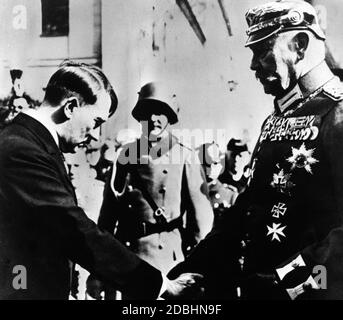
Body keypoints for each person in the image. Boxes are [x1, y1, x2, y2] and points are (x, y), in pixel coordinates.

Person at [169, 0, 343, 300]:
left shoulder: (337, 114)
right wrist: (193, 267)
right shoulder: (276, 118)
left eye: (262, 51)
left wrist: (284, 283)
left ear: (299, 45)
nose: (252, 65)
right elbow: (249, 207)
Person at [0, 61, 203, 300]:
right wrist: (159, 286)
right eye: (96, 122)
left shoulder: (32, 143)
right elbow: (72, 227)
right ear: (71, 107)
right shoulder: (24, 150)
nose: (95, 136)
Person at [87, 82, 214, 299]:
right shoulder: (125, 156)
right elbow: (107, 217)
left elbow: (201, 222)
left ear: (169, 117)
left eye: (160, 112)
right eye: (147, 112)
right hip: (128, 259)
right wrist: (97, 270)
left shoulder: (185, 156)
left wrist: (196, 266)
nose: (153, 118)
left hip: (167, 264)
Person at [198, 142, 238, 228]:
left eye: (215, 163)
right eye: (207, 162)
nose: (211, 166)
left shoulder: (230, 195)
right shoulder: (189, 190)